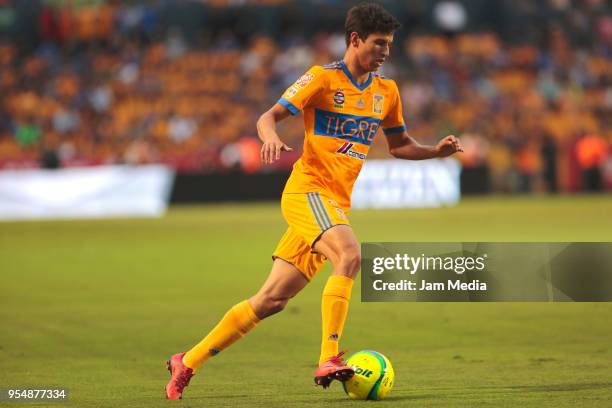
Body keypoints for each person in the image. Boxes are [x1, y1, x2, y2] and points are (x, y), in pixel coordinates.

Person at [165, 2, 463, 400]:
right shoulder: (322, 79)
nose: (386, 52)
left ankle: (187, 361)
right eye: (379, 43)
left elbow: (400, 145)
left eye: (389, 44)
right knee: (350, 254)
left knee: (271, 300)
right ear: (355, 39)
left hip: (333, 205)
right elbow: (268, 117)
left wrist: (435, 152)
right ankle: (329, 356)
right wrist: (270, 137)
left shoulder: (386, 92)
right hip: (307, 192)